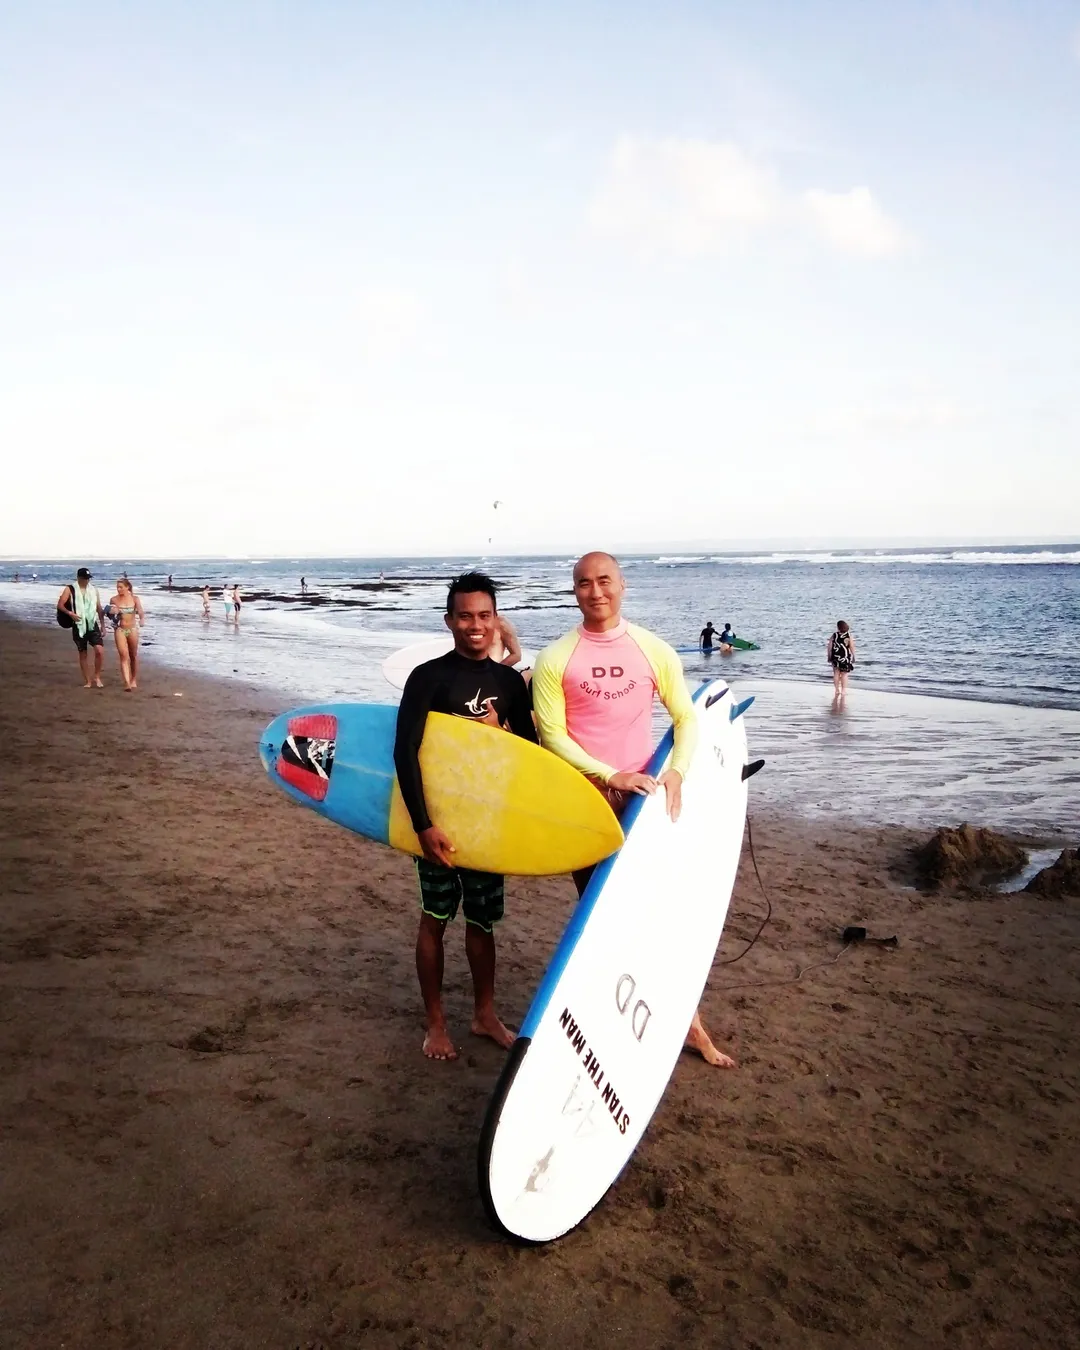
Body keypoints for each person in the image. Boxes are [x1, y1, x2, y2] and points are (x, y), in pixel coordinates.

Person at [532, 551, 735, 1069]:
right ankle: (614, 1023)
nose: (595, 591)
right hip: (586, 804)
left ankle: (691, 1027)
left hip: (643, 802)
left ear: (622, 585)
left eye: (605, 580)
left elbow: (686, 718)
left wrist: (678, 770)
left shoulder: (653, 649)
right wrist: (609, 774)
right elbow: (552, 736)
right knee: (605, 919)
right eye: (584, 583)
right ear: (574, 591)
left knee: (661, 917)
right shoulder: (555, 658)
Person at [393, 571, 536, 1062]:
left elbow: (530, 756)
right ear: (449, 620)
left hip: (487, 821)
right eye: (466, 616)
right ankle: (435, 1024)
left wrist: (501, 734)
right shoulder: (428, 677)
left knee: (482, 922)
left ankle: (484, 1014)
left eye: (484, 615)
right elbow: (405, 751)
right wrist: (423, 825)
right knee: (434, 918)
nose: (476, 625)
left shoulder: (508, 682)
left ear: (496, 620)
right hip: (438, 819)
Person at [57, 568, 106, 688]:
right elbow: (60, 605)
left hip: (91, 623)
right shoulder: (70, 589)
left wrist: (103, 625)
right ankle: (88, 681)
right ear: (78, 578)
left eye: (88, 578)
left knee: (99, 651)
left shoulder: (93, 590)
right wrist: (70, 613)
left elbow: (99, 608)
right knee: (83, 653)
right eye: (85, 578)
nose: (87, 581)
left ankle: (97, 676)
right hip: (78, 624)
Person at [109, 577, 145, 691]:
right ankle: (127, 683)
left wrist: (142, 619)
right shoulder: (114, 599)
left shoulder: (135, 599)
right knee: (123, 656)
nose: (118, 589)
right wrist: (112, 612)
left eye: (121, 587)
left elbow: (140, 611)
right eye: (117, 587)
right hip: (120, 629)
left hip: (132, 629)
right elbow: (111, 616)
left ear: (127, 587)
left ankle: (133, 679)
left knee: (133, 655)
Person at [828, 619, 855, 700]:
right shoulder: (848, 635)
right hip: (845, 657)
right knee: (844, 674)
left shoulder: (834, 635)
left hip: (835, 656)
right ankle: (843, 690)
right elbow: (851, 647)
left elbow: (829, 647)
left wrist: (829, 656)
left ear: (838, 627)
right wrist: (854, 656)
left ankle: (837, 690)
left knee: (836, 673)